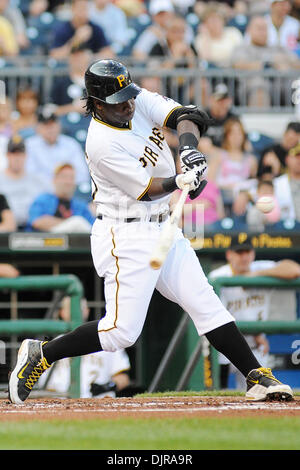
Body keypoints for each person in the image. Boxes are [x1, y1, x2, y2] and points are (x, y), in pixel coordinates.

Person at [8, 58, 293, 405]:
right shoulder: (100, 143)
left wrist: (188, 150)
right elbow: (146, 188)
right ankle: (43, 353)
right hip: (124, 234)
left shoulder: (135, 98)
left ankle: (256, 375)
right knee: (120, 332)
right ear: (97, 104)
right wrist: (179, 179)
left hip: (163, 227)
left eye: (129, 96)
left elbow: (186, 116)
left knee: (205, 303)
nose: (128, 105)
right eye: (118, 102)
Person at [209, 238, 300, 389]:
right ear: (229, 255)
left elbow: (295, 270)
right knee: (218, 390)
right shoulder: (218, 276)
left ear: (252, 254)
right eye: (239, 252)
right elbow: (217, 319)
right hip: (226, 348)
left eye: (247, 252)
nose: (244, 257)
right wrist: (255, 333)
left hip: (256, 347)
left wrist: (257, 274)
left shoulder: (259, 267)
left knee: (262, 390)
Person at [38, 296, 131, 398]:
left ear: (87, 311)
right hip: (62, 406)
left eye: (80, 307)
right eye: (70, 307)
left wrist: (108, 386)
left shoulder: (107, 338)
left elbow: (123, 377)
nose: (76, 311)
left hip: (99, 406)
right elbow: (44, 387)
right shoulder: (53, 346)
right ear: (62, 312)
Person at [231, 15, 300, 107]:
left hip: (282, 86)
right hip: (251, 88)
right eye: (259, 29)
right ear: (249, 30)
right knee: (260, 87)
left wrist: (286, 65)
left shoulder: (277, 48)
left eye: (265, 29)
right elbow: (238, 65)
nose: (263, 32)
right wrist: (268, 63)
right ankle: (260, 121)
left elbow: (297, 63)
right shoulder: (242, 48)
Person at [25, 110, 90, 188]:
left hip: (68, 190)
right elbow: (29, 174)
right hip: (40, 191)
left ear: (59, 125)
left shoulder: (71, 144)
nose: (50, 129)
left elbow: (83, 174)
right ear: (38, 128)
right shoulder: (29, 145)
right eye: (46, 125)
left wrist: (64, 183)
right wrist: (54, 185)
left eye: (52, 124)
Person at [205, 117, 258, 212]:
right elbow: (210, 182)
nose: (236, 137)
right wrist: (231, 187)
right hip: (222, 197)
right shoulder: (218, 156)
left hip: (243, 200)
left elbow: (254, 183)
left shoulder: (251, 160)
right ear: (227, 136)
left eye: (239, 133)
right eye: (232, 133)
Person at [27, 163, 95, 233]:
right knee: (77, 222)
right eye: (64, 177)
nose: (68, 182)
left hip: (77, 242)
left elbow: (93, 228)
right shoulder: (43, 200)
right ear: (54, 180)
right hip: (48, 240)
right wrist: (71, 223)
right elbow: (36, 222)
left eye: (71, 178)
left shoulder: (80, 206)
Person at [0, 135, 47, 231]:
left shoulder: (39, 181)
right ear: (7, 155)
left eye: (20, 154)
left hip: (34, 230)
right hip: (4, 231)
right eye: (13, 153)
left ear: (26, 155)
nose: (17, 158)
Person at [194, 4, 243, 68]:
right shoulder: (200, 38)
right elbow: (205, 60)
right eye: (212, 20)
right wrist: (206, 36)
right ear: (205, 23)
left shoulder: (233, 32)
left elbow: (241, 55)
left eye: (218, 19)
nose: (216, 22)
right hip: (212, 72)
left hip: (233, 70)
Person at [198, 83, 239, 150]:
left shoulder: (233, 119)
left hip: (227, 156)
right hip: (207, 156)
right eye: (219, 100)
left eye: (225, 100)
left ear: (230, 101)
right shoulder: (202, 117)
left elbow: (243, 143)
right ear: (211, 100)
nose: (222, 104)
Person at [273, 143, 300, 222]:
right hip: (284, 231)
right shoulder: (276, 184)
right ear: (287, 159)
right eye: (296, 156)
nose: (299, 160)